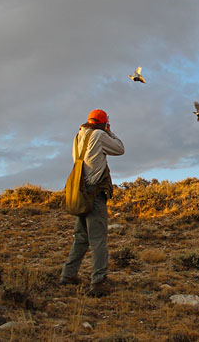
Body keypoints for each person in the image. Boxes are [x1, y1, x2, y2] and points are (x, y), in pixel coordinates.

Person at [60, 109, 124, 296]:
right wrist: (109, 132)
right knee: (98, 240)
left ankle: (68, 275)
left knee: (81, 237)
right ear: (104, 123)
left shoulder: (78, 135)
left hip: (78, 191)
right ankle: (98, 282)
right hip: (93, 193)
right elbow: (120, 149)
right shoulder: (98, 135)